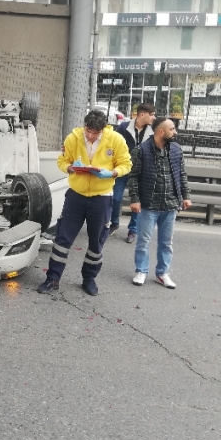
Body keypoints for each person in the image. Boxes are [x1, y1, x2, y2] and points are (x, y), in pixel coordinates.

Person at [37, 110, 132, 297]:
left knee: (96, 241)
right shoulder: (73, 137)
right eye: (88, 131)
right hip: (76, 195)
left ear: (103, 129)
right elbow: (62, 161)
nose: (90, 136)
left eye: (95, 133)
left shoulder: (116, 140)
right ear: (84, 126)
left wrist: (110, 173)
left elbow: (126, 165)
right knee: (63, 238)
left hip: (102, 196)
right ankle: (52, 278)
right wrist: (71, 168)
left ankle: (89, 279)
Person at [127, 117, 191, 288]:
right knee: (143, 241)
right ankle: (141, 271)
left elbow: (181, 174)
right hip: (148, 205)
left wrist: (185, 196)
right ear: (161, 132)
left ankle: (162, 273)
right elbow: (133, 177)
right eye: (172, 129)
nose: (175, 132)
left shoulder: (176, 150)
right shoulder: (141, 150)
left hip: (170, 205)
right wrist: (135, 199)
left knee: (166, 242)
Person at [110, 102, 156, 243]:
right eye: (152, 114)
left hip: (140, 172)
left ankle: (133, 230)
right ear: (142, 115)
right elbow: (114, 145)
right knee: (116, 197)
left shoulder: (153, 131)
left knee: (137, 201)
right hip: (123, 169)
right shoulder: (124, 127)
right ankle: (114, 223)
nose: (154, 118)